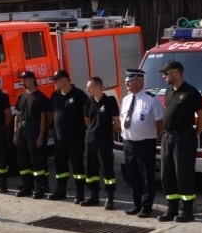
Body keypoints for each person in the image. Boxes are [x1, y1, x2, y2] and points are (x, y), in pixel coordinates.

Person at [157, 60, 202, 222]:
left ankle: (186, 211)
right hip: (168, 137)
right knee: (167, 174)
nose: (164, 76)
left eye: (166, 72)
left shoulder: (191, 92)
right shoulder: (168, 92)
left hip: (184, 137)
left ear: (176, 72)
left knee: (183, 174)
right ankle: (171, 208)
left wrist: (195, 134)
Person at [120, 68, 164, 218]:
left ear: (139, 82)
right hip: (128, 143)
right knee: (133, 176)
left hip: (145, 144)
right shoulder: (126, 99)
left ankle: (146, 206)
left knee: (146, 176)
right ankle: (136, 204)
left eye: (128, 81)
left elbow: (160, 124)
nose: (126, 84)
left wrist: (152, 138)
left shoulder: (152, 98)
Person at [48, 70, 89, 202]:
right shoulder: (55, 95)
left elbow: (87, 117)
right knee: (60, 166)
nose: (54, 82)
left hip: (75, 139)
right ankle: (60, 191)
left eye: (57, 80)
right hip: (59, 139)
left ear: (65, 80)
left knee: (77, 165)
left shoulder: (79, 95)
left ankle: (80, 193)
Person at [82, 77, 121, 208]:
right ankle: (94, 196)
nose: (87, 89)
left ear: (98, 87)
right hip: (90, 141)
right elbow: (87, 121)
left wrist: (108, 133)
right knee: (90, 170)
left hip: (104, 142)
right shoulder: (88, 103)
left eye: (90, 87)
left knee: (107, 170)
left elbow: (117, 123)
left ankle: (110, 198)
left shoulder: (109, 102)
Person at [13, 71, 51, 199]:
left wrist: (41, 136)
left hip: (34, 128)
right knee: (22, 158)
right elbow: (17, 115)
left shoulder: (40, 97)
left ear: (31, 80)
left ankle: (40, 187)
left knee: (37, 160)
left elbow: (44, 118)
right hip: (22, 129)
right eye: (22, 80)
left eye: (24, 80)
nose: (22, 82)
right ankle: (26, 186)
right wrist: (15, 133)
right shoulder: (21, 96)